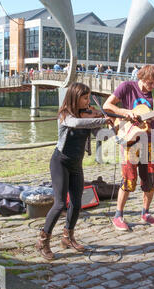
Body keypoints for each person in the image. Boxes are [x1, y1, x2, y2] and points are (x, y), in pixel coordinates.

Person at [35, 82, 112, 260]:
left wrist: (119, 128)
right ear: (75, 97)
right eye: (84, 98)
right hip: (60, 162)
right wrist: (101, 118)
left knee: (77, 203)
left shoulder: (89, 116)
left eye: (88, 98)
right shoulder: (64, 115)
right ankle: (42, 241)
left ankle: (67, 238)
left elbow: (101, 135)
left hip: (76, 164)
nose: (87, 102)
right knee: (60, 204)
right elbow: (76, 123)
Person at [103, 64, 154, 231]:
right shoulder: (127, 87)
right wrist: (126, 112)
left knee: (151, 180)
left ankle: (145, 213)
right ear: (140, 78)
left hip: (150, 140)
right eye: (149, 83)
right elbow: (107, 105)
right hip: (130, 138)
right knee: (128, 179)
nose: (151, 87)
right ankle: (118, 215)